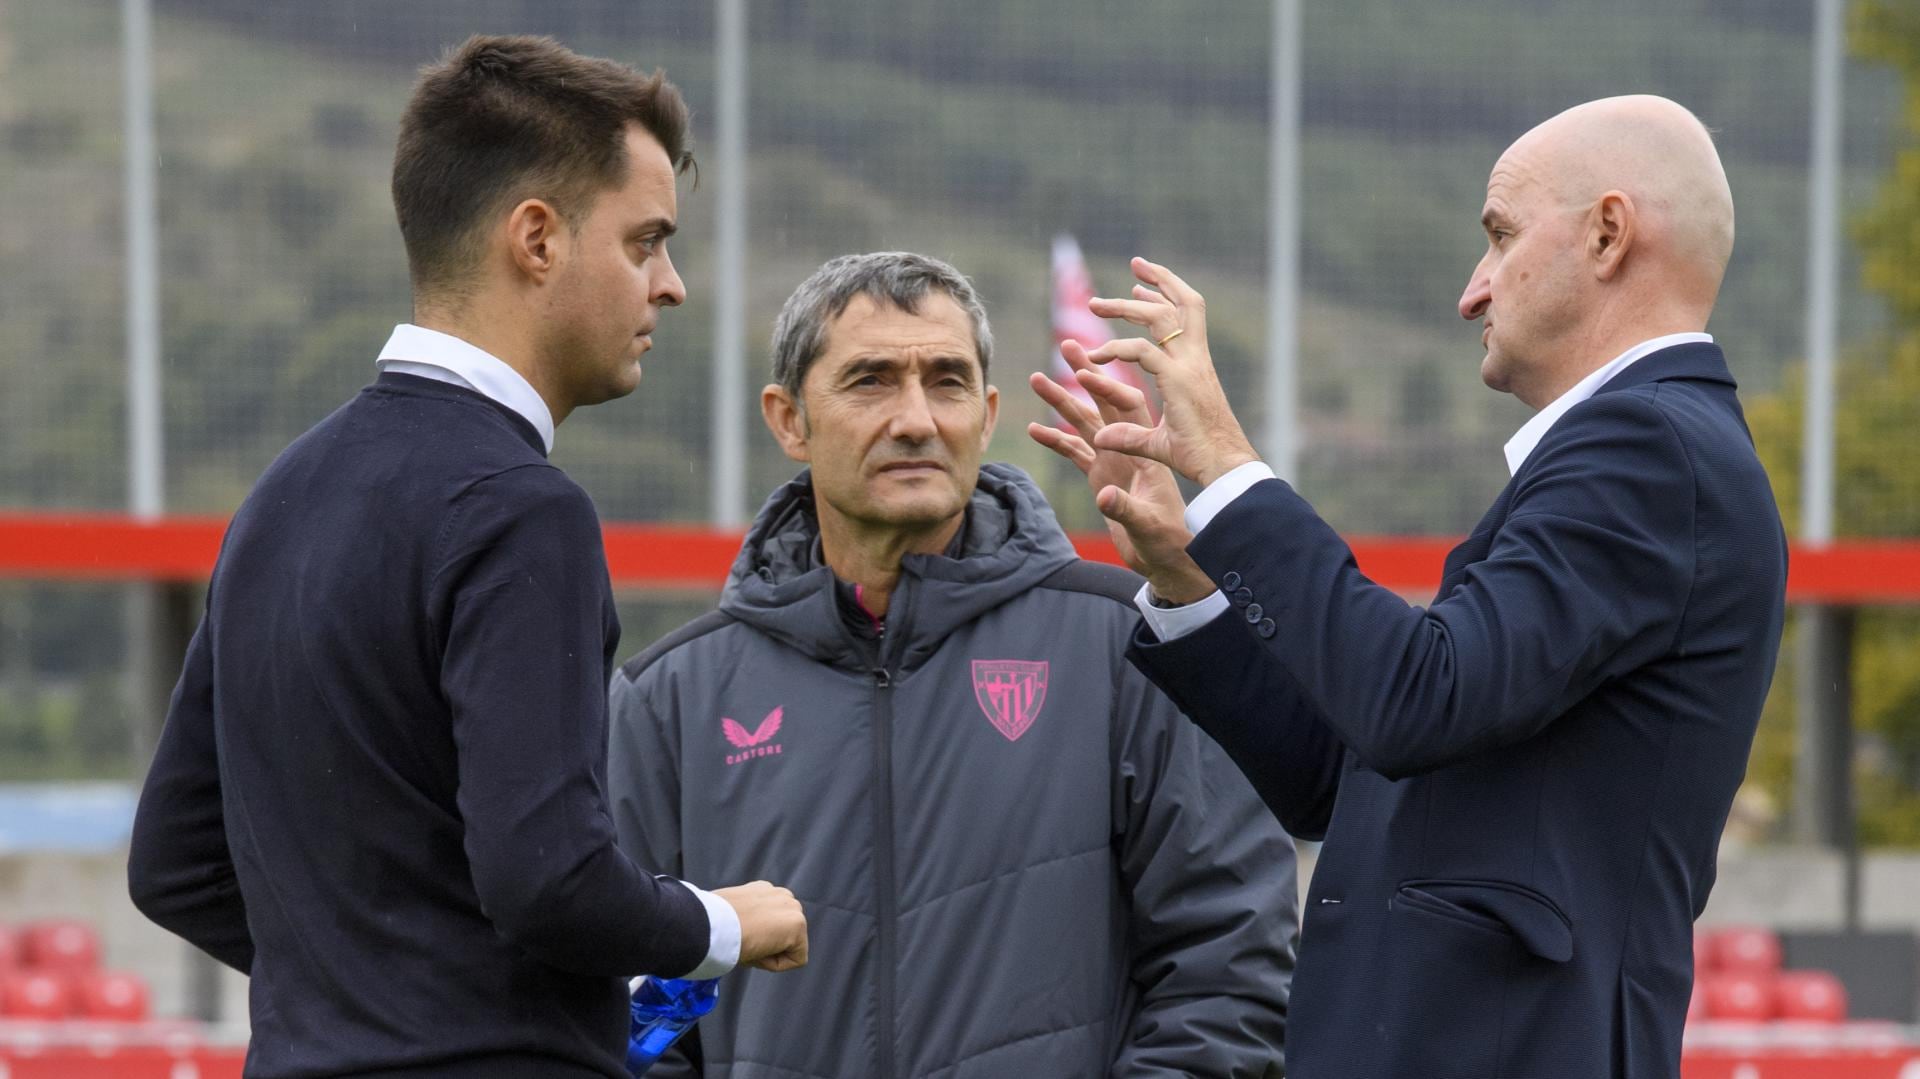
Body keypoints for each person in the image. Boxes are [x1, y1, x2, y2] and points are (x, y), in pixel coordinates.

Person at [1029, 95, 1787, 1079]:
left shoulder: (1650, 451)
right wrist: (1186, 573)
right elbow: (1348, 778)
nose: (1472, 292)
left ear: (1608, 233)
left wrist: (1224, 460)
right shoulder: (1640, 455)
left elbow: (1414, 699)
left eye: (1500, 235)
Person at [127, 35, 806, 1078]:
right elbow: (550, 876)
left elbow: (174, 863)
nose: (669, 285)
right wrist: (723, 923)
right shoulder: (520, 509)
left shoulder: (275, 498)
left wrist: (370, 998)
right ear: (536, 238)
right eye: (645, 242)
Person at [608, 252, 1297, 1078]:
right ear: (789, 419)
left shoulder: (1134, 646)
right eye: (870, 381)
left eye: (947, 381)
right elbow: (620, 1000)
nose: (915, 418)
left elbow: (1230, 963)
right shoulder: (665, 701)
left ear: (988, 410)